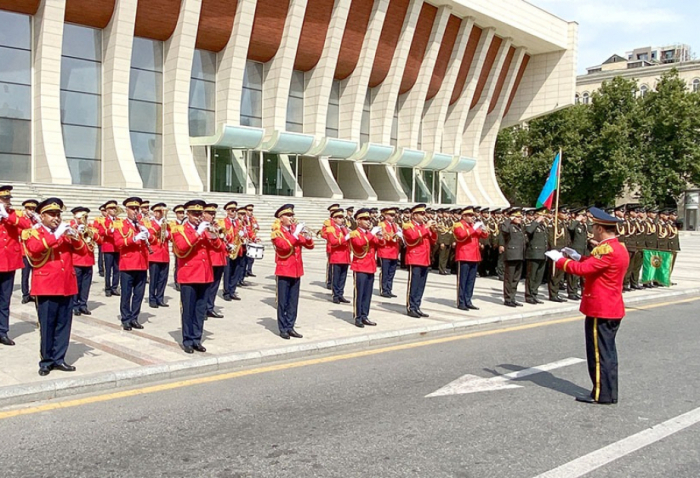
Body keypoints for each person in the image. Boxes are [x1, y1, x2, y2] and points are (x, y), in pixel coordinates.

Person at [545, 207, 630, 405]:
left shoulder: (607, 250)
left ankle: (602, 394)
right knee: (606, 352)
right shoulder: (617, 247)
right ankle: (607, 391)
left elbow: (584, 270)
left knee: (599, 355)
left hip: (601, 308)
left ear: (600, 229)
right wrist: (576, 256)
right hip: (610, 306)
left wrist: (560, 261)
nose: (592, 230)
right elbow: (594, 265)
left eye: (594, 227)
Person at [24, 198, 81, 376]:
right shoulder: (33, 232)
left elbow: (83, 251)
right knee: (47, 325)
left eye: (58, 214)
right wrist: (56, 235)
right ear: (42, 216)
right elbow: (34, 249)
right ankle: (46, 361)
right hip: (46, 285)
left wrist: (75, 236)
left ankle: (59, 359)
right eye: (52, 215)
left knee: (64, 324)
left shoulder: (64, 232)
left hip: (66, 284)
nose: (56, 218)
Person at [171, 200, 219, 353]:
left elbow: (219, 248)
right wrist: (198, 233)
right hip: (189, 275)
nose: (198, 217)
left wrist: (214, 235)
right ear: (188, 214)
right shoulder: (179, 229)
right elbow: (183, 247)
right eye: (194, 214)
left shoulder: (205, 229)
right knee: (188, 309)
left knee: (200, 310)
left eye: (200, 213)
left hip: (205, 275)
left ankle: (197, 338)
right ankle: (187, 340)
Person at [271, 204, 314, 339]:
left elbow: (310, 246)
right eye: (288, 215)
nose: (291, 218)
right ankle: (282, 328)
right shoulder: (277, 232)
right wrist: (295, 234)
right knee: (283, 301)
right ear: (281, 218)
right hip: (284, 270)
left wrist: (307, 236)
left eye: (292, 215)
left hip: (296, 270)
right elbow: (283, 246)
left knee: (293, 302)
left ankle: (290, 326)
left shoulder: (294, 231)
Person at [114, 197, 154, 331]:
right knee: (126, 294)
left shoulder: (142, 223)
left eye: (137, 208)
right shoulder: (120, 224)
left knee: (139, 293)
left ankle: (134, 318)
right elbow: (118, 242)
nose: (135, 211)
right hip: (128, 263)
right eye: (132, 209)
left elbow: (153, 238)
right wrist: (134, 238)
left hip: (142, 263)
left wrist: (148, 234)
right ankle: (126, 319)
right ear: (126, 210)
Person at [0, 185, 32, 346]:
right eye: (4, 199)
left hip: (9, 262)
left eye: (8, 199)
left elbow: (26, 226)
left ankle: (2, 331)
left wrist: (6, 216)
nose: (7, 202)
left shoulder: (13, 214)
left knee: (5, 300)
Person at [349, 208, 385, 327]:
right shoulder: (355, 233)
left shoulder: (369, 233)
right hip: (360, 266)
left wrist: (381, 236)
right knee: (359, 293)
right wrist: (372, 233)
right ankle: (358, 317)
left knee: (368, 294)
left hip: (370, 266)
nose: (368, 221)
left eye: (369, 219)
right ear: (358, 220)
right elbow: (359, 244)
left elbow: (381, 244)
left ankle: (365, 315)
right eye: (365, 219)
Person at [403, 204, 438, 318]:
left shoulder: (424, 226)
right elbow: (412, 237)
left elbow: (432, 241)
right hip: (415, 258)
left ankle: (417, 306)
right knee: (414, 284)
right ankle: (411, 307)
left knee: (421, 285)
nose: (424, 216)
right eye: (421, 214)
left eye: (424, 214)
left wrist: (433, 230)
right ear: (414, 215)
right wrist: (426, 227)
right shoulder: (408, 226)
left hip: (425, 258)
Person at [452, 206, 488, 310]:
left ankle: (468, 300)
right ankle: (461, 302)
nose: (472, 217)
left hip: (474, 256)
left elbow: (483, 236)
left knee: (471, 281)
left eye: (472, 215)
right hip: (464, 256)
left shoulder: (473, 225)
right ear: (463, 216)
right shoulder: (458, 225)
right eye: (469, 215)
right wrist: (474, 228)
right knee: (462, 281)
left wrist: (484, 229)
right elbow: (461, 236)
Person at [70, 207, 101, 316]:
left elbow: (100, 240)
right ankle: (75, 305)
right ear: (75, 217)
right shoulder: (71, 227)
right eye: (82, 217)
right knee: (76, 284)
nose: (84, 219)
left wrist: (91, 232)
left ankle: (83, 304)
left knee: (86, 285)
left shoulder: (90, 227)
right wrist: (77, 231)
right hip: (77, 260)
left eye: (86, 217)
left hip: (88, 260)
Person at [203, 203, 227, 318]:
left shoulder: (216, 225)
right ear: (204, 214)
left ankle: (210, 307)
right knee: (207, 286)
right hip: (210, 259)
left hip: (220, 259)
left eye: (214, 214)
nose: (213, 216)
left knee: (215, 286)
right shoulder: (203, 226)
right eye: (210, 214)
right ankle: (203, 309)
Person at [325, 208, 351, 304]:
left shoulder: (343, 228)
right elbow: (333, 242)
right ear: (334, 219)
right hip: (337, 256)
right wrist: (346, 237)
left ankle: (340, 294)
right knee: (336, 277)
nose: (341, 219)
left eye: (342, 217)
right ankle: (335, 295)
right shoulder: (331, 229)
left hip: (345, 256)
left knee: (343, 277)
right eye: (339, 217)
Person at [501, 208, 526, 307]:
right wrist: (509, 219)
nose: (520, 219)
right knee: (509, 278)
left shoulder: (519, 227)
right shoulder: (508, 226)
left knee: (516, 279)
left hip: (519, 255)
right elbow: (504, 230)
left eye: (520, 217)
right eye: (517, 217)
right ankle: (507, 299)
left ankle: (512, 297)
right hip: (511, 255)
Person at [148, 203, 170, 308]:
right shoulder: (150, 223)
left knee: (163, 278)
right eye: (157, 212)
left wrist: (166, 233)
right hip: (155, 254)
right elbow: (149, 235)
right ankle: (152, 298)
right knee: (154, 278)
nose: (159, 214)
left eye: (161, 212)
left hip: (164, 254)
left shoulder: (166, 223)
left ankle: (160, 298)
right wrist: (159, 226)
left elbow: (170, 235)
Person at [97, 200, 121, 297]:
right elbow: (101, 232)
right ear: (107, 210)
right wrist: (110, 230)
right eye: (111, 208)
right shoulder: (103, 220)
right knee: (108, 269)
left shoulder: (119, 220)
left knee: (117, 269)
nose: (114, 210)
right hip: (108, 247)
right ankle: (107, 287)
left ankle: (114, 287)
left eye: (115, 208)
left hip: (117, 247)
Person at [524, 207, 548, 304]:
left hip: (542, 254)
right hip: (533, 254)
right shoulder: (531, 224)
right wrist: (536, 221)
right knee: (531, 276)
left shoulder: (543, 226)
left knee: (538, 276)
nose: (543, 217)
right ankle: (529, 296)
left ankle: (534, 294)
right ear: (536, 215)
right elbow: (529, 231)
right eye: (542, 215)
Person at [377, 207, 402, 298]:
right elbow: (384, 236)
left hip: (394, 251)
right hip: (385, 250)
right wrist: (395, 236)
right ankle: (384, 289)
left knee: (392, 272)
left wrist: (399, 235)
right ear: (386, 216)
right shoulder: (381, 224)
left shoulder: (395, 225)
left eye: (393, 215)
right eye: (391, 215)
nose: (393, 217)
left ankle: (389, 289)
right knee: (385, 271)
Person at [20, 199, 39, 304]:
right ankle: (25, 294)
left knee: (35, 274)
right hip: (25, 251)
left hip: (35, 251)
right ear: (25, 209)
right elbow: (20, 232)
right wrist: (32, 227)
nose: (32, 211)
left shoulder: (36, 220)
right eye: (30, 209)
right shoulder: (22, 219)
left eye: (33, 209)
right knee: (25, 274)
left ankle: (33, 293)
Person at [172, 204, 186, 291]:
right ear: (176, 214)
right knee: (177, 265)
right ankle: (177, 281)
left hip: (186, 247)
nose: (181, 215)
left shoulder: (185, 222)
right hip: (177, 247)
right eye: (179, 213)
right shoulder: (173, 223)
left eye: (182, 213)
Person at [244, 204, 259, 277]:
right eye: (249, 210)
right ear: (246, 211)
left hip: (252, 239)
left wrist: (256, 227)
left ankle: (249, 270)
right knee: (245, 257)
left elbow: (257, 227)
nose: (251, 212)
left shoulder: (253, 218)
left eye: (251, 210)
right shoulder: (244, 219)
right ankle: (244, 271)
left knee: (251, 257)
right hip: (246, 239)